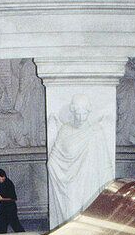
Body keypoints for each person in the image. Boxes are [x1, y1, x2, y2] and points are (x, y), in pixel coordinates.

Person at [47, 94, 113, 225]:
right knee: (71, 216)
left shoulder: (96, 131)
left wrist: (109, 184)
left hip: (90, 182)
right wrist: (54, 167)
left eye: (84, 114)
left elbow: (105, 160)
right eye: (78, 114)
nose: (81, 118)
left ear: (89, 112)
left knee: (89, 216)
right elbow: (55, 156)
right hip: (70, 184)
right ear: (73, 111)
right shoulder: (65, 130)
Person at [0, 168, 24, 234]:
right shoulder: (3, 183)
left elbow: (13, 198)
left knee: (15, 225)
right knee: (2, 226)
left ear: (3, 176)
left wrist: (1, 199)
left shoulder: (9, 184)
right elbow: (4, 195)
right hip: (4, 209)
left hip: (10, 209)